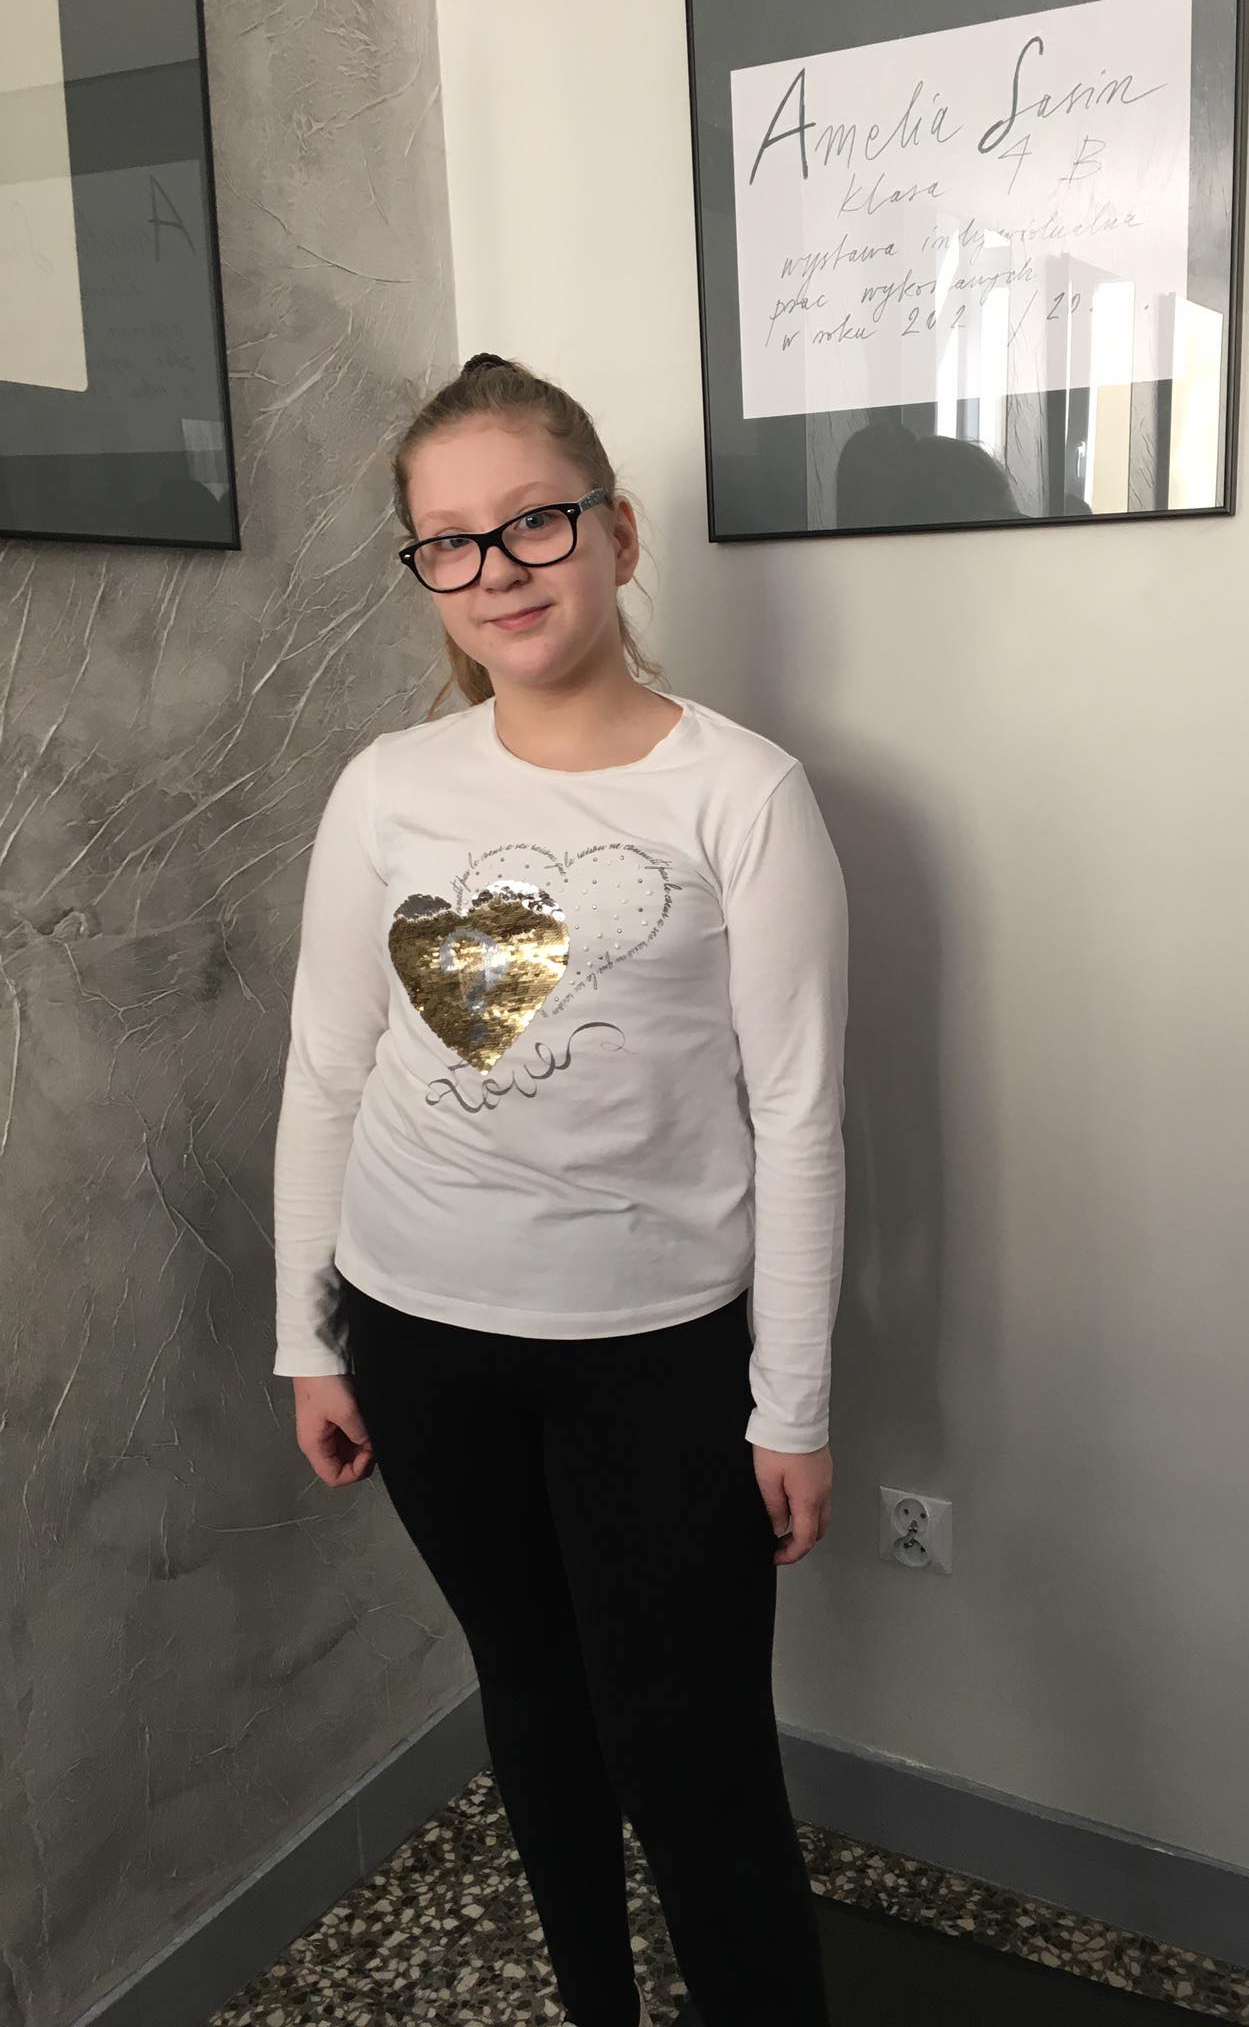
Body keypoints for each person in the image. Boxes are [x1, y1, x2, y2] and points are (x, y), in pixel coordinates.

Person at [270, 352, 848, 2027]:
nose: (496, 568)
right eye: (449, 540)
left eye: (535, 520)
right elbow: (327, 1070)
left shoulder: (740, 793)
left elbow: (800, 1116)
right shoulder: (387, 787)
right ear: (423, 570)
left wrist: (792, 1404)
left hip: (656, 1353)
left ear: (619, 532)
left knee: (694, 1754)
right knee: (529, 1698)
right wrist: (309, 1340)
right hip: (416, 1333)